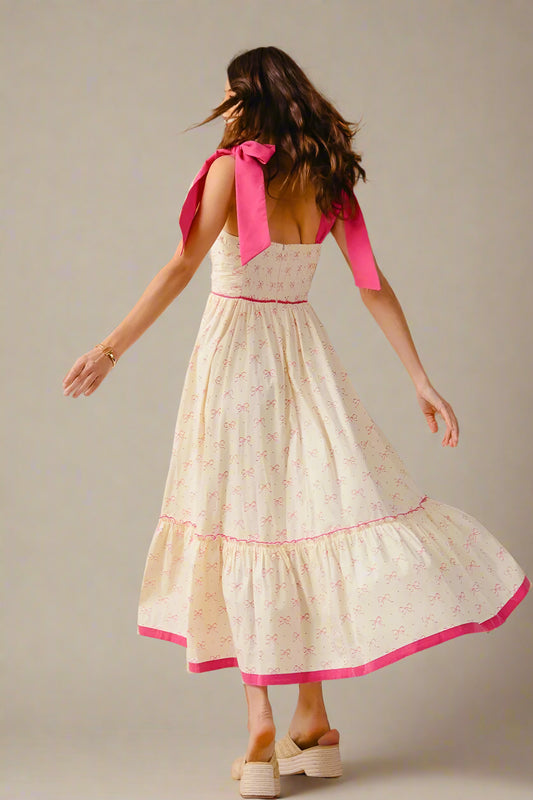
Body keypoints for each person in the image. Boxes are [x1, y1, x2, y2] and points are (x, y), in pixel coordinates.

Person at [62, 46, 530, 800]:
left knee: (246, 529)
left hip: (232, 358)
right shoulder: (326, 178)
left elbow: (181, 267)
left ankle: (260, 726)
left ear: (248, 98)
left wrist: (111, 348)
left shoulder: (227, 169)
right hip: (303, 357)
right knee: (303, 525)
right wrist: (419, 378)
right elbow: (371, 285)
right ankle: (313, 722)